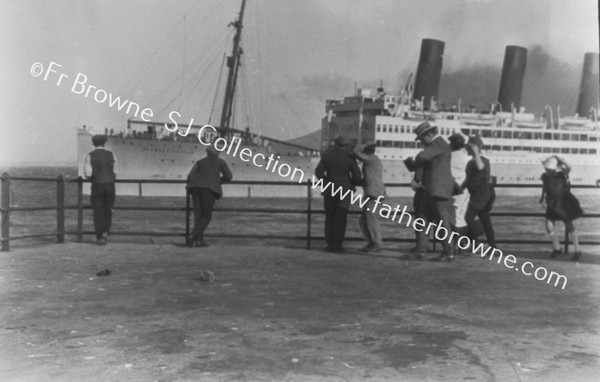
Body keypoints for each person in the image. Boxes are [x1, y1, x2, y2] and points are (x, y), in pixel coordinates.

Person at [410, 122, 455, 261]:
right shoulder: (438, 146)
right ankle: (421, 250)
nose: (421, 142)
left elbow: (423, 157)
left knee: (442, 222)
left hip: (438, 190)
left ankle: (449, 253)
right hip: (432, 189)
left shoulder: (438, 144)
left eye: (422, 139)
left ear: (429, 134)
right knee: (422, 219)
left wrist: (418, 157)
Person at [315, 136, 362, 252]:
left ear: (336, 144)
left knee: (329, 217)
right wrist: (350, 183)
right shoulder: (350, 156)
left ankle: (329, 244)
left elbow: (318, 171)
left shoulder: (328, 154)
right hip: (344, 191)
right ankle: (337, 245)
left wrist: (326, 181)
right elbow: (357, 176)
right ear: (348, 145)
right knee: (340, 218)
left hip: (329, 190)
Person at [186, 145, 233, 247]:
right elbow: (229, 176)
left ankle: (198, 241)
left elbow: (190, 175)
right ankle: (192, 235)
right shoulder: (221, 162)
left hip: (194, 189)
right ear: (217, 153)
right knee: (206, 216)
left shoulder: (200, 162)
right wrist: (217, 181)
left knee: (198, 216)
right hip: (208, 190)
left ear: (207, 153)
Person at [539, 156, 583, 260]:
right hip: (551, 202)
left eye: (548, 169)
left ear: (554, 168)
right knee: (548, 225)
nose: (546, 170)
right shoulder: (545, 176)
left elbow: (569, 167)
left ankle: (577, 249)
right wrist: (542, 197)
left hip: (563, 202)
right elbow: (545, 186)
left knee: (568, 224)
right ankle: (557, 247)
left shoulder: (562, 174)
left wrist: (560, 160)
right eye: (546, 168)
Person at [462, 136, 497, 249]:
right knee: (485, 220)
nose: (466, 150)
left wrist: (476, 152)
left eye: (468, 147)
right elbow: (468, 179)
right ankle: (492, 247)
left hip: (482, 195)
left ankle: (475, 242)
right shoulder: (470, 162)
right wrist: (459, 189)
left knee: (467, 218)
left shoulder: (484, 161)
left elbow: (480, 167)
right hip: (477, 195)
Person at [84, 134, 117, 245]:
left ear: (94, 143)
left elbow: (88, 174)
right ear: (104, 143)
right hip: (110, 186)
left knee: (98, 211)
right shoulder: (111, 154)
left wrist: (93, 177)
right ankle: (105, 232)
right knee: (108, 210)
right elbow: (115, 172)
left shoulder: (90, 155)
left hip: (97, 185)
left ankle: (100, 237)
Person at [353, 140, 385, 252]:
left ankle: (376, 243)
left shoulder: (372, 159)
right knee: (364, 219)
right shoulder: (373, 160)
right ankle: (372, 242)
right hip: (373, 192)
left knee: (371, 218)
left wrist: (362, 145)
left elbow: (356, 152)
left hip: (374, 193)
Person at [448, 133, 470, 253]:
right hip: (464, 191)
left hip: (454, 190)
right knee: (461, 218)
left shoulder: (450, 156)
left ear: (452, 144)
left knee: (452, 218)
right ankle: (461, 246)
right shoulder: (465, 156)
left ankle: (454, 246)